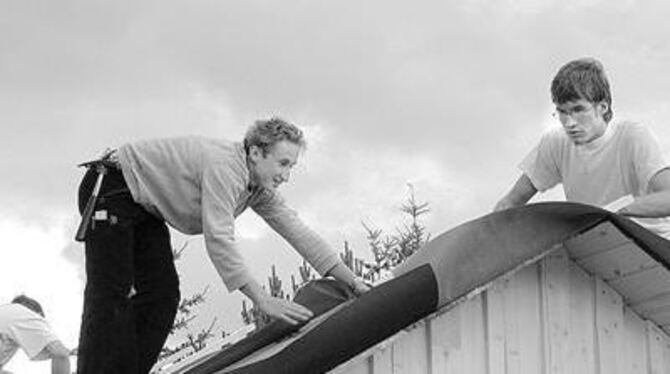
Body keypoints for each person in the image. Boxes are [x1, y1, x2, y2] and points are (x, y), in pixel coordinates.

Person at [75, 117, 370, 373]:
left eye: (291, 166)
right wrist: (262, 298)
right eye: (282, 163)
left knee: (162, 297)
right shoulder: (226, 167)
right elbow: (218, 238)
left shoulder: (258, 188)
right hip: (112, 187)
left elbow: (297, 231)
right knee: (112, 295)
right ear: (255, 152)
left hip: (143, 206)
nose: (286, 175)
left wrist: (353, 281)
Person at [494, 57, 670, 238]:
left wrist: (614, 212)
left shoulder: (632, 136)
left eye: (578, 110)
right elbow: (511, 202)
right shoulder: (555, 143)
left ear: (602, 107)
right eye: (562, 111)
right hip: (597, 244)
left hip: (651, 244)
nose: (569, 123)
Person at [0, 295, 71, 374]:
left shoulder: (5, 313)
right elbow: (60, 353)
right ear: (38, 314)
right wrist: (61, 351)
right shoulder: (26, 315)